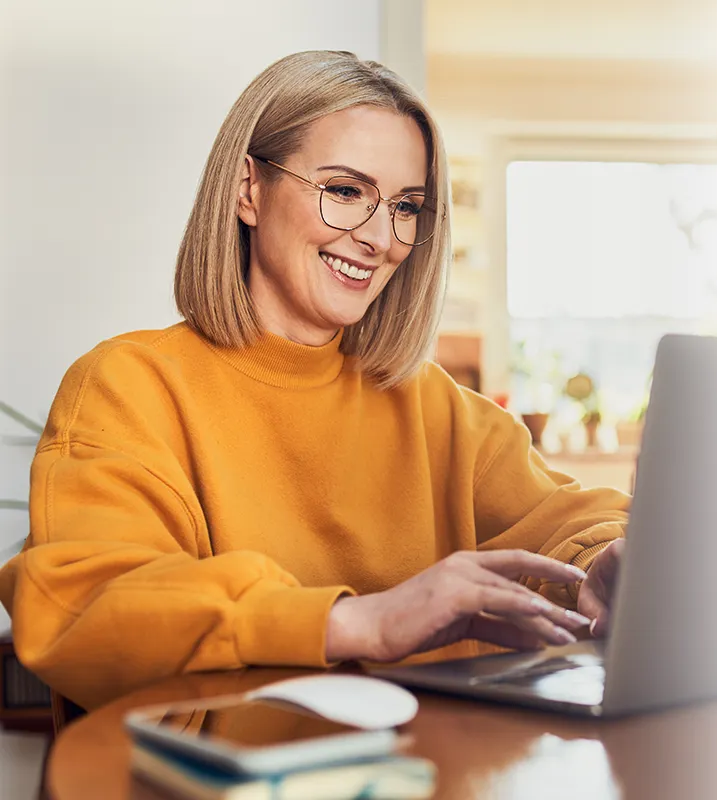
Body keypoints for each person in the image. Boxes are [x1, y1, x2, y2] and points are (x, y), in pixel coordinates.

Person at [0, 51, 629, 709]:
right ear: (249, 189)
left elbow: (570, 517)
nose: (380, 238)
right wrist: (357, 622)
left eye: (406, 207)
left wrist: (606, 559)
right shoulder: (129, 387)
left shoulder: (435, 407)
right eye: (346, 191)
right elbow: (84, 606)